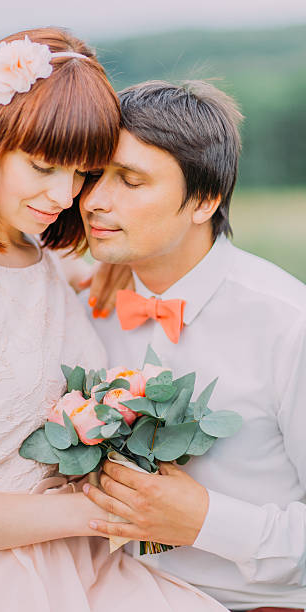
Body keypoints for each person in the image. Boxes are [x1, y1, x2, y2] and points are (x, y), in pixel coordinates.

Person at [0, 28, 227, 612]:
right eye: (44, 165)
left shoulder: (45, 256)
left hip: (77, 558)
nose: (65, 194)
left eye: (82, 173)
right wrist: (94, 510)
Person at [76, 81, 306, 612]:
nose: (94, 201)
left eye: (131, 181)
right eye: (93, 176)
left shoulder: (287, 326)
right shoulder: (81, 304)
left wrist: (209, 522)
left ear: (204, 200)